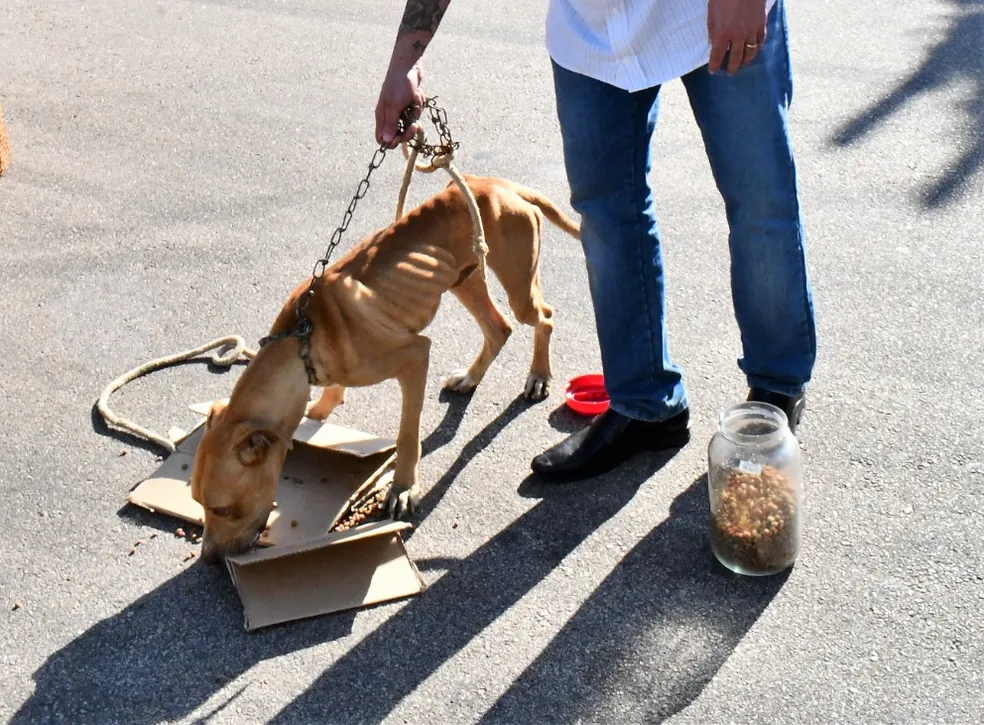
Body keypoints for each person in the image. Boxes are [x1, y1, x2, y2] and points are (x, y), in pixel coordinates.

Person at [374, 0, 817, 483]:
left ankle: (775, 395)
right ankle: (645, 405)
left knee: (760, 202)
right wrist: (405, 62)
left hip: (706, 12)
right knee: (608, 215)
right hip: (592, 35)